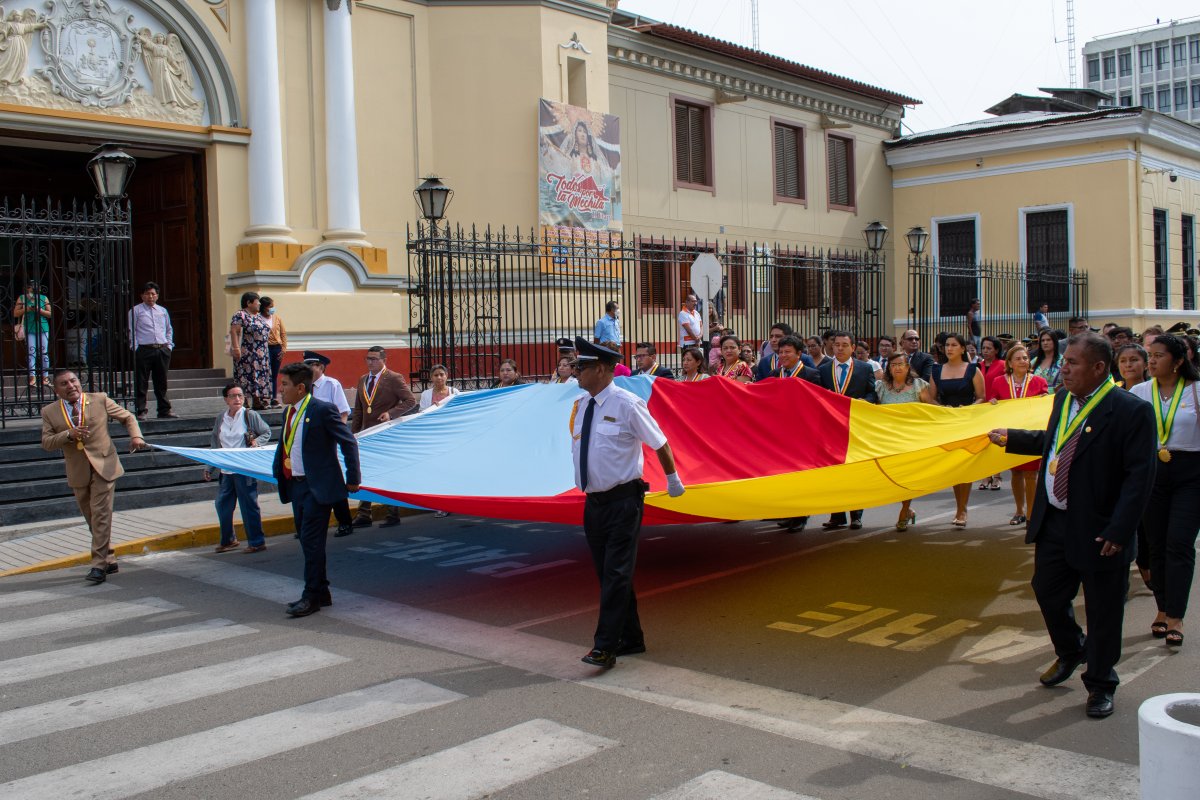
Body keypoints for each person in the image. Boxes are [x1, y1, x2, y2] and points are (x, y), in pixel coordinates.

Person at [988, 333, 1155, 719]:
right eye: (1064, 362)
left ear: (1099, 368)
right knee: (1047, 591)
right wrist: (1013, 438)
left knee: (1103, 609)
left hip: (1100, 529)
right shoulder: (1064, 399)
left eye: (1073, 363)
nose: (1063, 369)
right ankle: (1071, 650)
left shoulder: (1129, 410)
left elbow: (1139, 478)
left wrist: (1119, 530)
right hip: (1056, 521)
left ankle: (1099, 683)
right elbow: (1058, 442)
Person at [569, 336, 684, 668]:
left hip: (623, 501)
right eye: (575, 366)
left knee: (616, 573)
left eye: (583, 367)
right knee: (608, 575)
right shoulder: (580, 406)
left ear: (603, 369)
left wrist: (673, 480)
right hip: (593, 503)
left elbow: (659, 442)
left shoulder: (627, 403)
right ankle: (632, 637)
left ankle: (605, 646)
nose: (577, 372)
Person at [272, 361, 361, 618]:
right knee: (308, 542)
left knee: (311, 543)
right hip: (296, 486)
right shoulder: (288, 412)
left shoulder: (322, 410)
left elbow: (348, 442)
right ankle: (321, 590)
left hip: (317, 488)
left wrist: (352, 477)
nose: (281, 390)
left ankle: (311, 596)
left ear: (300, 388)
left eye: (285, 385)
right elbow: (285, 447)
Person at [41, 369, 145, 584]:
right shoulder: (50, 412)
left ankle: (98, 566)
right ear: (57, 389)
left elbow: (128, 417)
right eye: (64, 384)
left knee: (100, 515)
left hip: (104, 466)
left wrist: (136, 437)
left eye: (73, 381)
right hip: (78, 471)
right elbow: (47, 443)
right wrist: (68, 434)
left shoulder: (99, 399)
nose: (70, 386)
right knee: (91, 517)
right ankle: (109, 557)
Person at [1130, 334, 1200, 649]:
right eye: (1150, 354)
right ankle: (1161, 606)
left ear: (1179, 360)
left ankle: (1176, 617)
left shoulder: (1196, 391)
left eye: (1159, 355)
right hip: (1152, 474)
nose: (1153, 360)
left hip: (1191, 474)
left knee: (1179, 544)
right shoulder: (1139, 392)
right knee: (1155, 544)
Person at [351, 346, 417, 529]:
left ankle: (392, 512)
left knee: (388, 473)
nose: (370, 362)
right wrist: (354, 433)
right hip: (367, 434)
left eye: (373, 358)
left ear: (383, 360)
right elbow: (359, 410)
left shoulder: (393, 378)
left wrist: (391, 413)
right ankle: (364, 513)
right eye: (367, 358)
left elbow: (411, 401)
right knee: (365, 473)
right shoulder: (363, 380)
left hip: (386, 434)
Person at [203, 382, 272, 553]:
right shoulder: (221, 418)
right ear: (226, 399)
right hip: (226, 469)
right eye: (233, 396)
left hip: (244, 469)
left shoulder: (250, 415)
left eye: (240, 395)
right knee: (222, 505)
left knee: (248, 505)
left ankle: (257, 541)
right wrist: (209, 467)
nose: (238, 399)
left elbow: (266, 432)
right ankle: (228, 540)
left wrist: (257, 442)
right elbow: (215, 443)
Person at [819, 331, 877, 530]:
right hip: (832, 428)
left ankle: (856, 515)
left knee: (855, 471)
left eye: (845, 345)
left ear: (853, 347)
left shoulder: (864, 368)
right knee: (834, 473)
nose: (840, 348)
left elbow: (872, 394)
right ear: (832, 347)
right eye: (837, 345)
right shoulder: (824, 369)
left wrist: (864, 402)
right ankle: (837, 515)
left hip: (855, 427)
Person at [988, 345, 1049, 526]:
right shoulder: (999, 381)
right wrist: (992, 403)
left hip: (1029, 434)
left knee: (1031, 474)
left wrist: (1044, 400)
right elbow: (992, 402)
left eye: (1025, 358)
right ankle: (1019, 510)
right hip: (1010, 433)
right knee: (1015, 472)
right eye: (1019, 358)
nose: (1023, 361)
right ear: (1010, 363)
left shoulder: (1038, 381)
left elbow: (1045, 406)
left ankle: (1031, 514)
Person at [930, 333, 986, 527]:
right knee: (954, 466)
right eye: (947, 345)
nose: (949, 348)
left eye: (954, 345)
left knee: (966, 466)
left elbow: (981, 396)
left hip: (967, 421)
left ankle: (963, 509)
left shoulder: (973, 369)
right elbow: (932, 398)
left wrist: (968, 409)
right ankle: (959, 506)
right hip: (948, 423)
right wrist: (941, 409)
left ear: (963, 349)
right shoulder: (937, 370)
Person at [876, 352, 935, 530]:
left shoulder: (919, 386)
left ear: (908, 367)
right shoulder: (881, 387)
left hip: (912, 439)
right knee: (894, 478)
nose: (897, 367)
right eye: (893, 364)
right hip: (890, 440)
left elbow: (931, 409)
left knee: (908, 476)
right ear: (889, 368)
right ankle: (908, 509)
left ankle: (905, 509)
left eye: (901, 364)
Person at [771, 335, 821, 533]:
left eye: (788, 352)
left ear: (799, 354)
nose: (783, 355)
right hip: (780, 434)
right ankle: (788, 512)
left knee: (801, 476)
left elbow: (816, 403)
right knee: (783, 476)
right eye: (781, 352)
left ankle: (801, 515)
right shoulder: (775, 374)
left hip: (803, 433)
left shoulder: (811, 374)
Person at [303, 351, 355, 538]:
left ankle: (345, 521)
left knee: (333, 480)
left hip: (329, 440)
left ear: (320, 367)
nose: (308, 369)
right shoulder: (304, 386)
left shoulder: (331, 384)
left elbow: (343, 412)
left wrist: (336, 435)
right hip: (310, 440)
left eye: (311, 366)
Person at [128, 281, 177, 420]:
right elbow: (132, 331)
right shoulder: (135, 311)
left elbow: (169, 329)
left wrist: (169, 345)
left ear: (157, 296)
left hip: (161, 349)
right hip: (144, 349)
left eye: (153, 294)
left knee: (161, 381)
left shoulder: (162, 311)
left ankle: (164, 410)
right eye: (147, 293)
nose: (150, 296)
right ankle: (141, 410)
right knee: (141, 381)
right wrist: (135, 347)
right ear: (142, 296)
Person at [230, 291, 273, 410]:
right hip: (247, 352)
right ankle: (244, 401)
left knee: (259, 376)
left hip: (261, 353)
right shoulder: (240, 315)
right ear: (248, 303)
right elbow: (234, 331)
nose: (259, 304)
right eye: (257, 301)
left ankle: (257, 400)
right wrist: (236, 348)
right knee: (245, 376)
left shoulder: (258, 316)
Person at [978, 335, 1008, 491]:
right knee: (984, 442)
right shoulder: (978, 365)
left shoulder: (1003, 365)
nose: (985, 351)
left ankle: (997, 476)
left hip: (997, 407)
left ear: (996, 350)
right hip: (981, 408)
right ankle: (986, 475)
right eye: (983, 348)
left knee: (996, 442)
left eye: (989, 348)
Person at [13, 279, 51, 388]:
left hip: (43, 327)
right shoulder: (22, 298)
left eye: (35, 287)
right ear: (27, 288)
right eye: (31, 287)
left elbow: (50, 313)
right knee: (31, 352)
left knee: (44, 352)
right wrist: (27, 309)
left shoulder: (43, 298)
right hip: (29, 327)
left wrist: (39, 310)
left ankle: (45, 377)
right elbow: (15, 313)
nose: (33, 290)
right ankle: (32, 378)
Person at [261, 296, 287, 408]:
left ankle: (274, 398)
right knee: (264, 374)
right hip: (264, 348)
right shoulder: (258, 319)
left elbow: (283, 334)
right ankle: (264, 398)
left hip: (276, 348)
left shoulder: (277, 318)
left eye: (273, 306)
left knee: (274, 374)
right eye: (270, 306)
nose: (272, 308)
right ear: (264, 307)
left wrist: (283, 349)